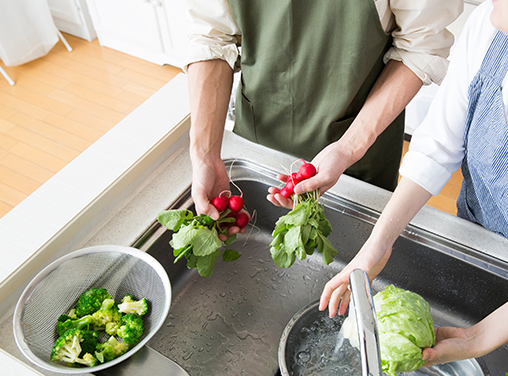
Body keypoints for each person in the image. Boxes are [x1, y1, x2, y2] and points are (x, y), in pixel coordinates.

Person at [319, 0, 508, 367]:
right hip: (479, 240)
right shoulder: (489, 30)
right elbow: (436, 149)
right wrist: (378, 244)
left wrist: (476, 338)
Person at [184, 0, 463, 228]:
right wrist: (205, 154)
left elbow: (419, 47)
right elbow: (211, 34)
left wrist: (347, 147)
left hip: (356, 152)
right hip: (256, 144)